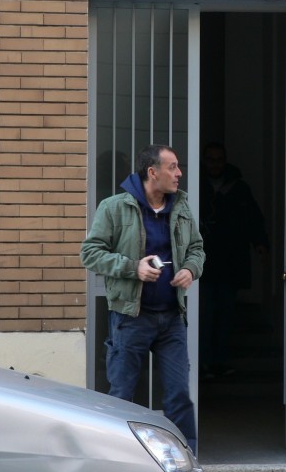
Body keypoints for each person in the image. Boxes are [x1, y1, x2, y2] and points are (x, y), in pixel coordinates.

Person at [80, 144, 205, 452]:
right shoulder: (114, 207)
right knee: (122, 395)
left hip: (172, 318)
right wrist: (133, 267)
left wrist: (190, 269)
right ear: (153, 172)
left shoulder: (182, 206)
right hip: (130, 317)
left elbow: (197, 249)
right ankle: (116, 457)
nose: (179, 173)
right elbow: (90, 254)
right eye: (172, 167)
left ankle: (186, 457)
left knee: (178, 395)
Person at [199, 142, 269, 378]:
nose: (215, 164)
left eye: (219, 159)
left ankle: (219, 362)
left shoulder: (239, 188)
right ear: (204, 161)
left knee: (225, 316)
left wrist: (260, 245)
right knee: (204, 315)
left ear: (225, 161)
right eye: (210, 159)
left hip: (230, 263)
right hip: (202, 264)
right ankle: (203, 363)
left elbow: (254, 219)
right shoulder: (196, 185)